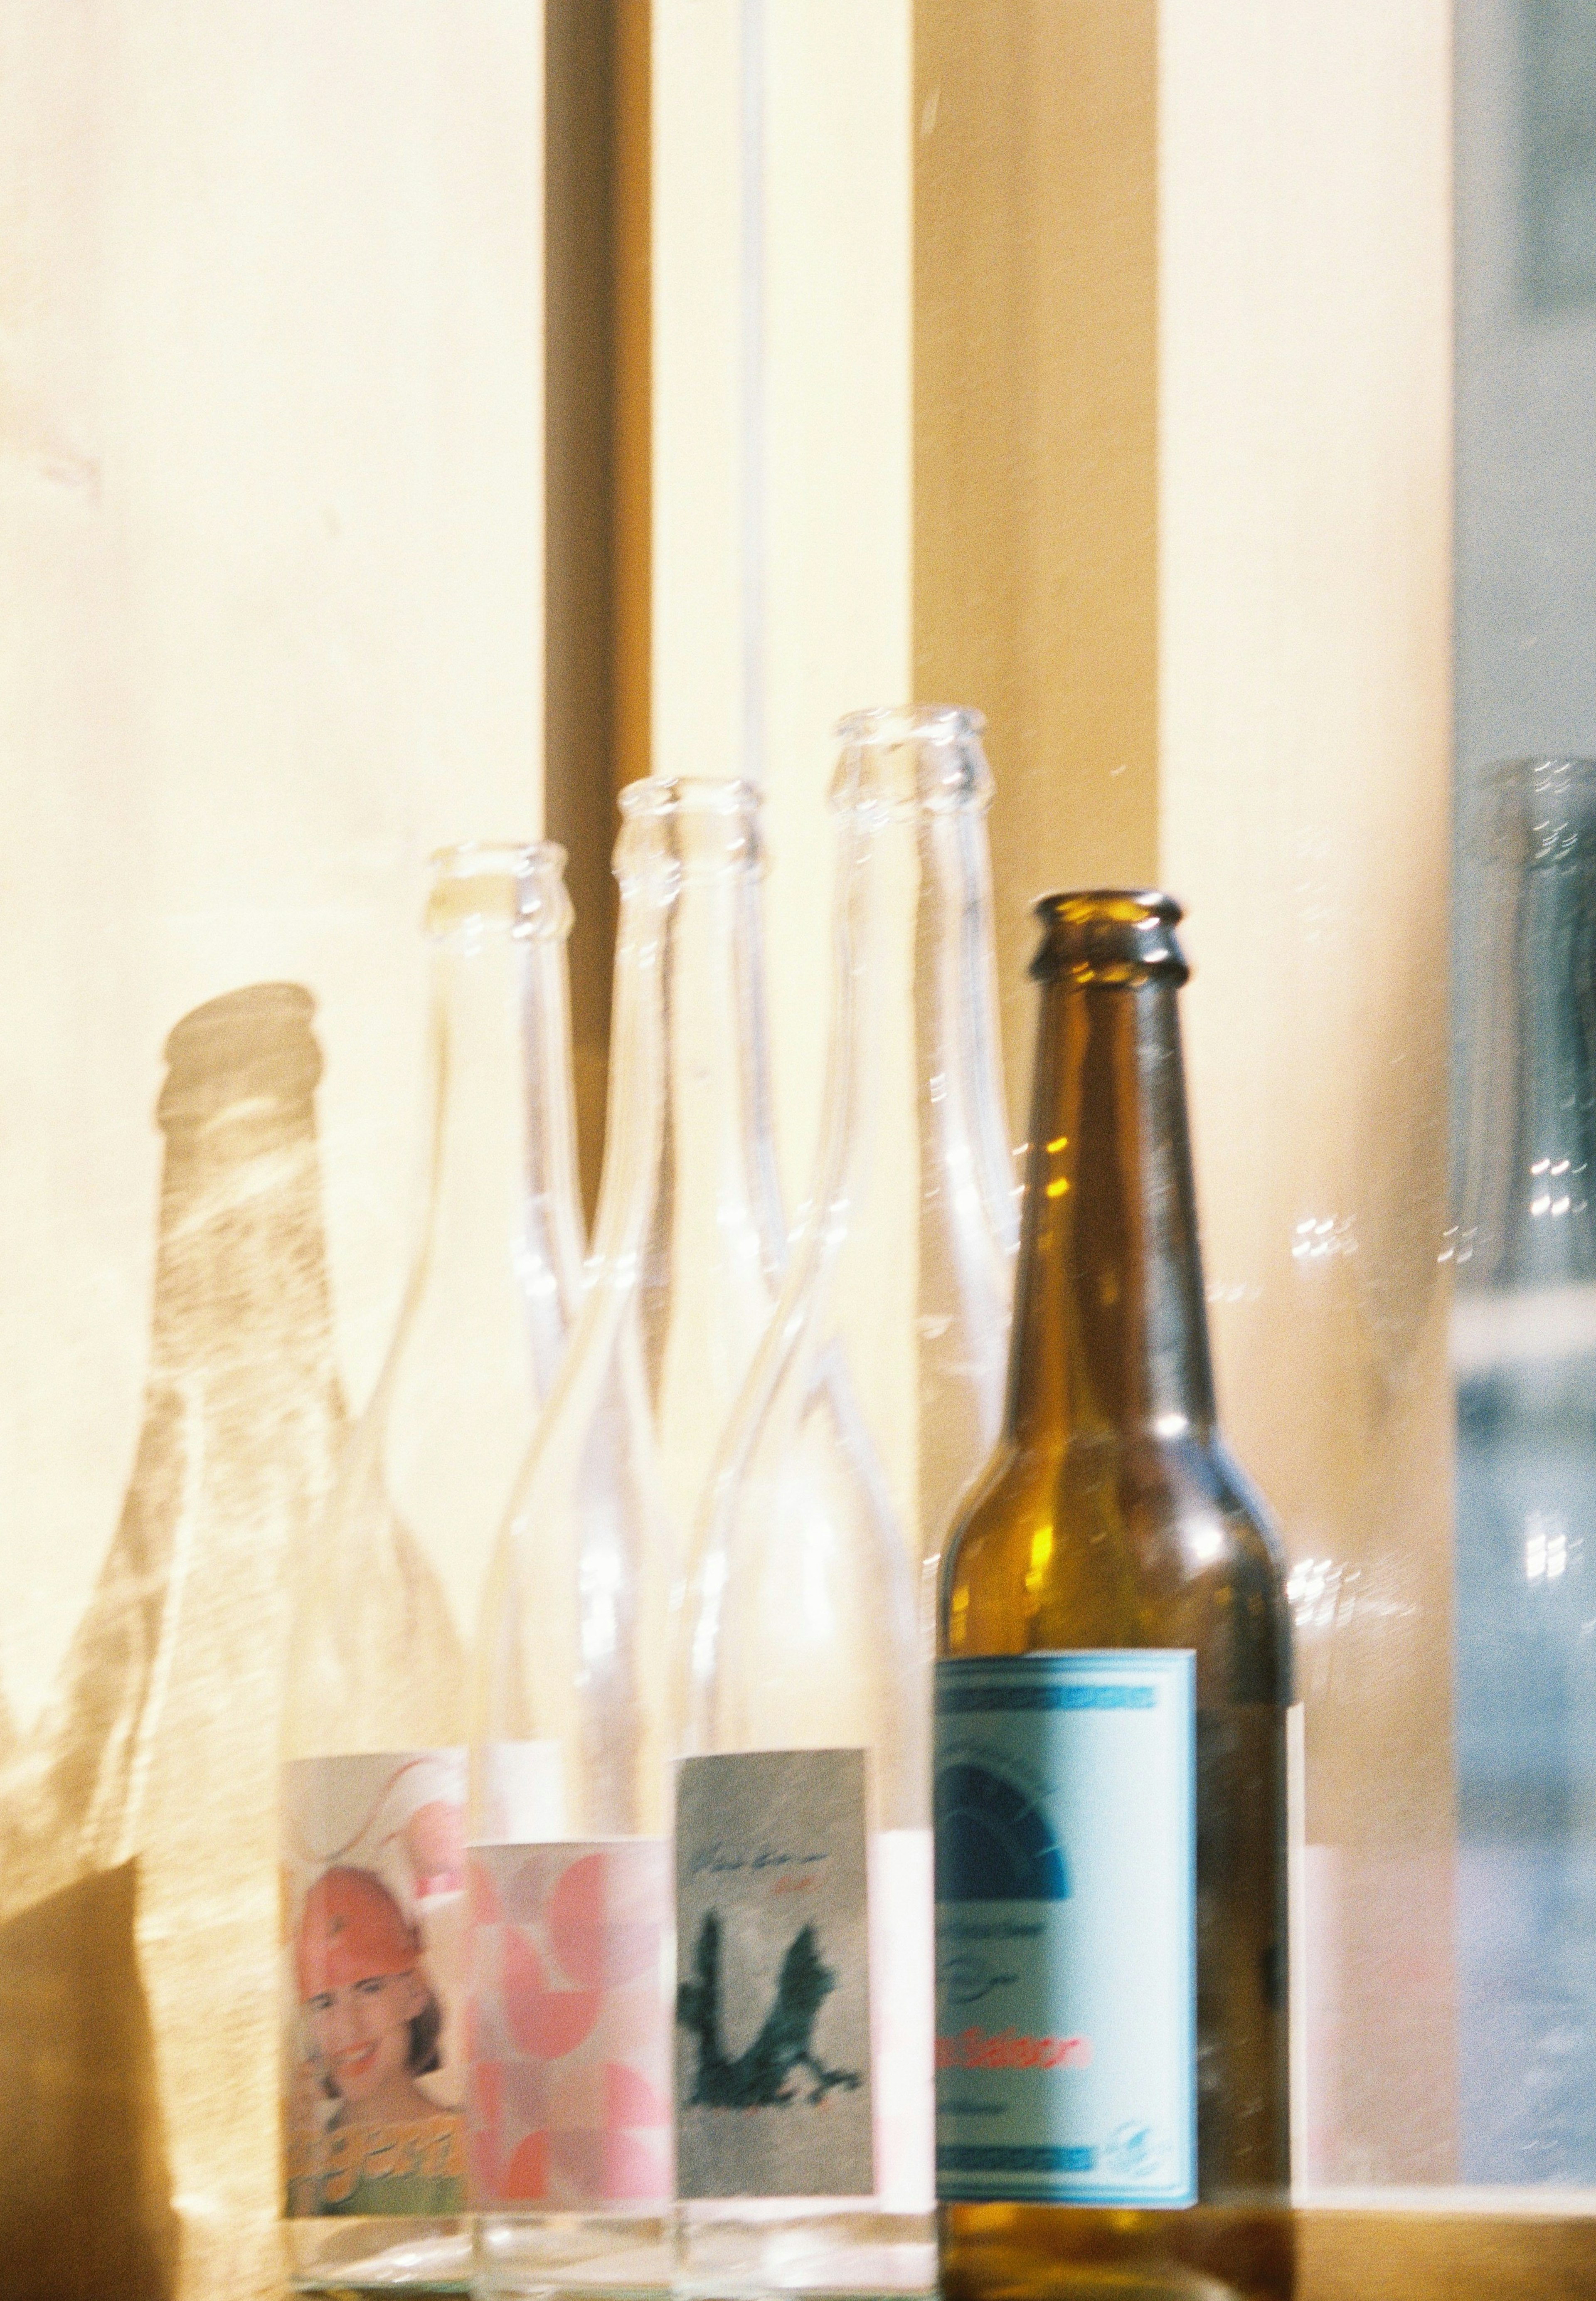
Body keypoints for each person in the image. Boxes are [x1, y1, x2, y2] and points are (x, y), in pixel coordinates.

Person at [287, 1864, 464, 2217]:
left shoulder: (469, 2145)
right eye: (324, 2003)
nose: (347, 2027)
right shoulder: (302, 2158)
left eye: (369, 1989)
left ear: (414, 1993)